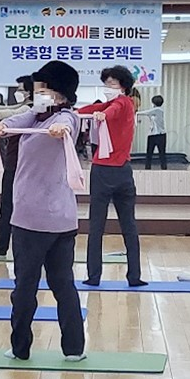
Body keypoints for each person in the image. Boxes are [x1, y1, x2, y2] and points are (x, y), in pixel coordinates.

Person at [0, 60, 85, 362]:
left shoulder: (67, 119)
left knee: (43, 286)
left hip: (39, 220)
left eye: (41, 90)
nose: (36, 95)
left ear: (58, 93)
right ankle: (24, 347)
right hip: (49, 217)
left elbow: (67, 126)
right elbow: (16, 120)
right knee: (43, 286)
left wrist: (59, 129)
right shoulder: (36, 115)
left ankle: (68, 348)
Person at [77, 65, 145, 288]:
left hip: (109, 172)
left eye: (112, 83)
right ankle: (127, 276)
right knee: (121, 226)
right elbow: (91, 108)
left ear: (123, 86)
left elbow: (111, 110)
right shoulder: (111, 102)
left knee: (102, 226)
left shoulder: (124, 102)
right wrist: (71, 112)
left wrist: (101, 114)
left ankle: (101, 276)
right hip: (117, 171)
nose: (108, 87)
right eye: (106, 83)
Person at [0, 75, 33, 258]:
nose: (19, 92)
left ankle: (16, 249)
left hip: (25, 167)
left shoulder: (33, 110)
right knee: (7, 207)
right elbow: (12, 109)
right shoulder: (25, 107)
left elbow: (14, 113)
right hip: (13, 163)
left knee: (17, 208)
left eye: (21, 89)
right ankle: (2, 248)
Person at [138, 95, 167, 170]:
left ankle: (164, 169)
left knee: (162, 153)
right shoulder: (154, 110)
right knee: (149, 153)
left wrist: (136, 112)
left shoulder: (159, 110)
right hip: (152, 134)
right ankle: (147, 168)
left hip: (160, 134)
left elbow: (146, 112)